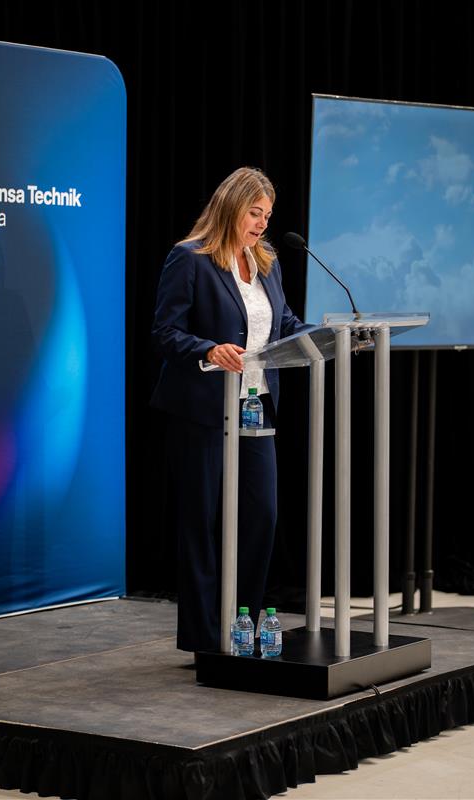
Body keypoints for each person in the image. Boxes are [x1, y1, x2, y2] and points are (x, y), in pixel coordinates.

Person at [151, 166, 309, 653]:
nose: (262, 223)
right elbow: (166, 331)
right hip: (202, 410)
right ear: (230, 207)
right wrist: (207, 349)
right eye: (254, 212)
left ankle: (242, 625)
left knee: (261, 515)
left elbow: (282, 323)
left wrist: (336, 338)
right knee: (204, 521)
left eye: (267, 214)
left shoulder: (267, 261)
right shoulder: (190, 259)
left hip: (256, 405)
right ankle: (205, 638)